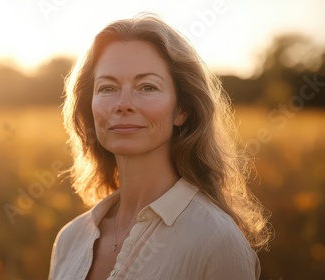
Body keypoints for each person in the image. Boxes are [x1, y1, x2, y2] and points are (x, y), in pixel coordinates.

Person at [49, 14, 272, 280]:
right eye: (107, 88)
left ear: (182, 110)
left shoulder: (215, 240)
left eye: (147, 86)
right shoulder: (70, 239)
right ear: (90, 107)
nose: (123, 104)